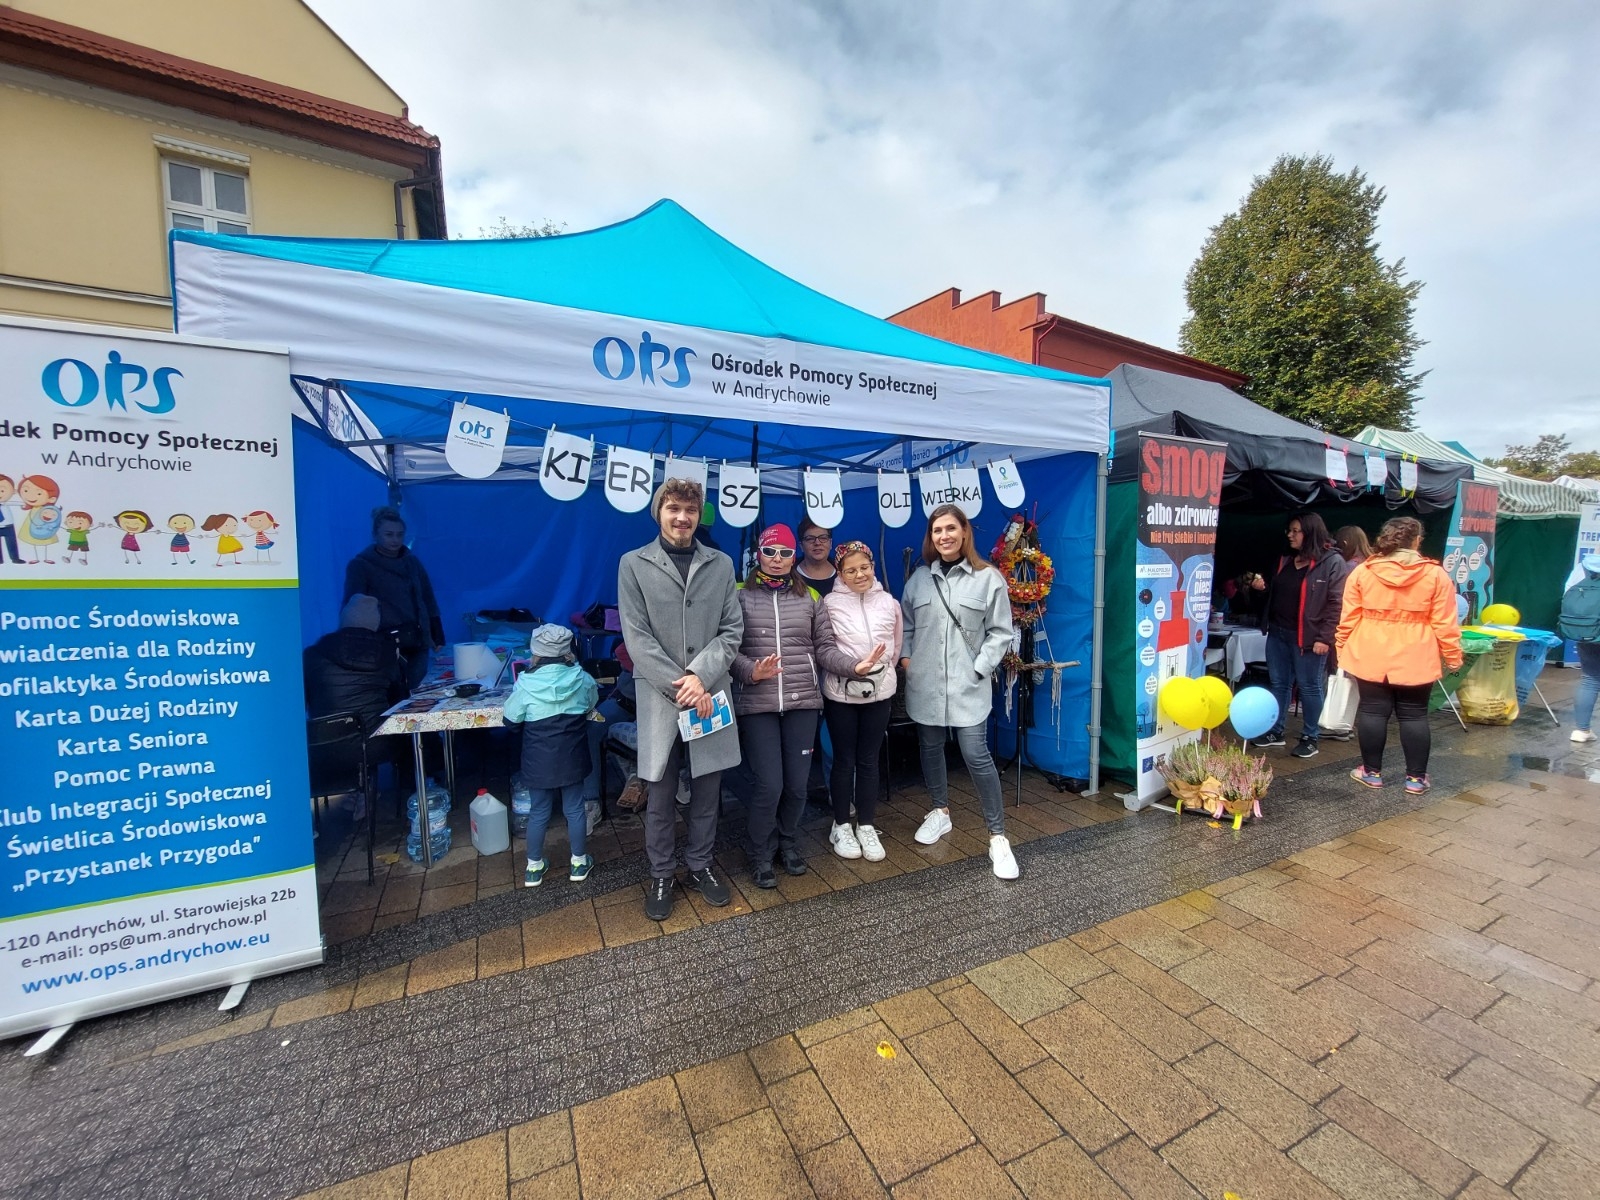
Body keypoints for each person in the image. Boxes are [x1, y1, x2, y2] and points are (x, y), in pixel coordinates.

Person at [617, 478, 743, 921]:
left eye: (690, 510)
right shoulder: (633, 564)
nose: (682, 517)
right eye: (673, 508)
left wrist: (699, 677)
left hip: (709, 695)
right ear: (659, 512)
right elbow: (636, 638)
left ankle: (701, 864)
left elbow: (732, 631)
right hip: (660, 697)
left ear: (698, 516)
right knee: (661, 793)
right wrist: (683, 683)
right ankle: (661, 873)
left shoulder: (722, 564)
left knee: (708, 790)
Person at [731, 524, 863, 888]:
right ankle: (760, 851)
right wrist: (751, 671)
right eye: (770, 552)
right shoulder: (739, 595)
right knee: (769, 784)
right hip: (757, 703)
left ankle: (787, 843)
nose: (777, 560)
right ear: (759, 554)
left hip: (803, 701)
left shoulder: (810, 598)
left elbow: (824, 649)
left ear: (794, 556)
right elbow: (728, 649)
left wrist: (854, 666)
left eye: (785, 553)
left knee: (798, 786)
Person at [900, 504, 1019, 879]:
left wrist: (980, 668)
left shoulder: (989, 579)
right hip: (927, 685)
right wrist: (907, 661)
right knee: (930, 748)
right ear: (931, 538)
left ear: (965, 532)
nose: (944, 536)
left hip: (968, 687)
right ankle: (940, 812)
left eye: (951, 528)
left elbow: (1001, 631)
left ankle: (998, 837)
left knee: (975, 755)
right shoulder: (919, 579)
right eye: (937, 531)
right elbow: (904, 626)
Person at [1336, 516, 1463, 794]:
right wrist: (1453, 657)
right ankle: (1415, 779)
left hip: (1369, 650)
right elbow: (1445, 622)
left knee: (1372, 711)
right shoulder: (1435, 575)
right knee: (1414, 715)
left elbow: (1348, 617)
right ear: (1417, 541)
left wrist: (1341, 648)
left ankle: (1372, 773)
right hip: (1416, 652)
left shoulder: (1363, 571)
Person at [821, 540, 902, 863]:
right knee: (844, 759)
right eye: (850, 570)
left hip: (879, 691)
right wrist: (854, 669)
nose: (859, 574)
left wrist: (880, 675)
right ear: (839, 572)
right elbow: (824, 647)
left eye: (864, 567)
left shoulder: (889, 602)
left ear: (872, 567)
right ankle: (841, 823)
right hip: (841, 692)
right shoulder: (829, 603)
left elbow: (895, 646)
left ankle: (866, 824)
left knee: (869, 759)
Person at [504, 624, 601, 887]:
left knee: (539, 812)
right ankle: (579, 863)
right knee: (574, 810)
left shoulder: (525, 683)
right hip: (572, 757)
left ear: (535, 652)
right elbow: (592, 703)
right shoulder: (582, 678)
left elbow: (511, 720)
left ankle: (534, 868)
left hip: (538, 762)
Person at [1251, 512, 1348, 758]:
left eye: (1296, 530)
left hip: (1309, 637)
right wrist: (1261, 590)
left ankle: (1310, 736)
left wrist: (1324, 638)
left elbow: (1336, 603)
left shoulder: (1332, 562)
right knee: (1279, 684)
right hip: (1278, 633)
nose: (1290, 535)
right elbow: (1278, 594)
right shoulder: (1286, 559)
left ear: (1310, 532)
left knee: (1309, 686)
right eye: (1289, 530)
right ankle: (1276, 731)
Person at [344, 506, 444, 694]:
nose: (395, 540)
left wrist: (436, 631)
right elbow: (353, 607)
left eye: (400, 534)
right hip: (382, 645)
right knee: (391, 696)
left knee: (417, 694)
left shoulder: (412, 562)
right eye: (389, 534)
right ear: (375, 534)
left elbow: (428, 597)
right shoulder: (361, 565)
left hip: (417, 641)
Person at [302, 594, 404, 731]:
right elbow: (398, 703)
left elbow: (301, 702)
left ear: (344, 619)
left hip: (325, 745)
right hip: (379, 744)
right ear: (375, 623)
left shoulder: (313, 654)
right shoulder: (388, 654)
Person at [1558, 552, 1600, 744]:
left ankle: (1581, 730)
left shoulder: (1583, 567)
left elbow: (1567, 594)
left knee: (1590, 678)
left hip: (1587, 629)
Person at [795, 517, 838, 596]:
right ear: (801, 546)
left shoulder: (843, 572)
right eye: (810, 539)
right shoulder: (790, 574)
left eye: (823, 538)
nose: (817, 543)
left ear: (831, 543)